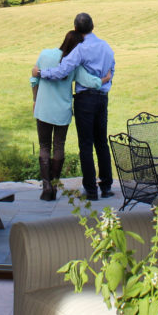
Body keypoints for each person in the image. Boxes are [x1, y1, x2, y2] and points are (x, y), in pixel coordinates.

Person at [32, 12, 115, 201]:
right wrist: (105, 84)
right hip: (102, 97)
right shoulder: (106, 46)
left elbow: (62, 71)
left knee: (86, 144)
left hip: (85, 99)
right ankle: (107, 186)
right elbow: (112, 68)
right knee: (101, 142)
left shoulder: (80, 49)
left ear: (76, 28)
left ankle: (91, 190)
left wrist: (41, 73)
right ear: (93, 26)